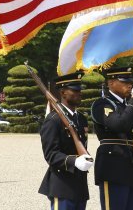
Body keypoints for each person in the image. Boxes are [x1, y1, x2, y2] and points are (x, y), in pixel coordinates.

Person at [91, 66, 133, 210]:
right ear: (110, 83)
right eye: (124, 81)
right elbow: (119, 124)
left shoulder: (129, 105)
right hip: (114, 168)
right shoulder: (102, 104)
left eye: (131, 82)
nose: (129, 85)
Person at [39, 72, 92, 210]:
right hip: (62, 185)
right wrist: (74, 161)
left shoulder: (81, 118)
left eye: (80, 90)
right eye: (75, 90)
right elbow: (51, 154)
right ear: (63, 92)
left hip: (80, 185)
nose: (79, 93)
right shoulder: (53, 120)